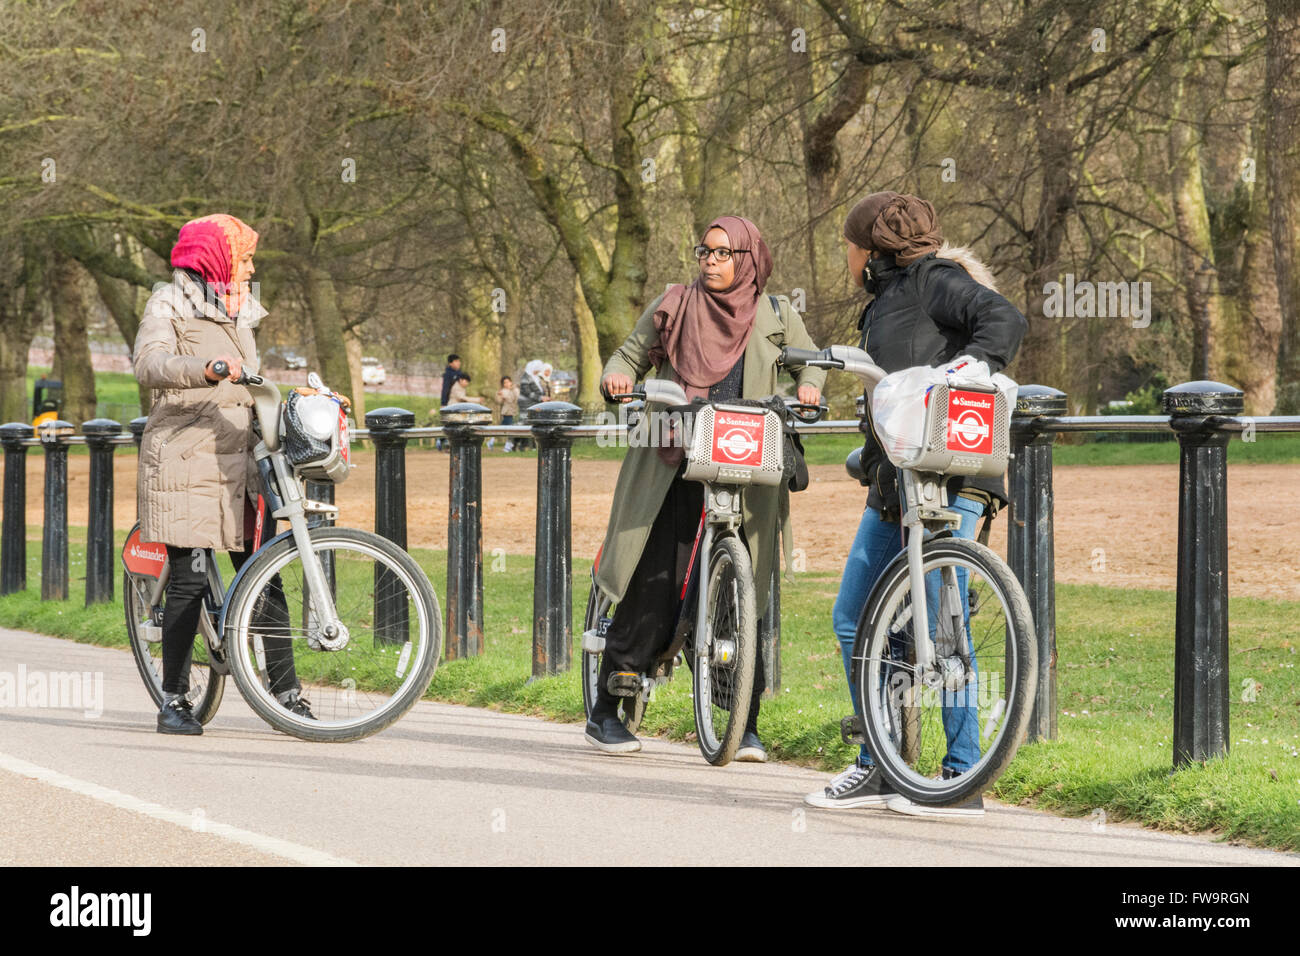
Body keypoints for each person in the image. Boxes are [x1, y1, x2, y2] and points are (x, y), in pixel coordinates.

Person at [803, 191, 1026, 816]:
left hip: (949, 479)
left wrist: (970, 371)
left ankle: (962, 778)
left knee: (946, 626)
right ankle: (879, 761)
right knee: (854, 618)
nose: (846, 258)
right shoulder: (884, 303)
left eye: (849, 246)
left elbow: (1003, 320)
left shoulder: (935, 280)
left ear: (872, 249)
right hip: (892, 483)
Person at [589, 215, 825, 759]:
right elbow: (627, 355)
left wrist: (809, 388)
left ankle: (742, 721)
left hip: (747, 458)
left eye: (724, 253)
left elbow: (809, 365)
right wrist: (619, 377)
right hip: (674, 455)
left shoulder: (776, 314)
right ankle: (610, 706)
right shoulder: (675, 302)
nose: (711, 261)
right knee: (658, 574)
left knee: (744, 590)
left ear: (749, 259)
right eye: (705, 252)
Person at [133, 214, 313, 735]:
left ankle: (288, 695)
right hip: (186, 458)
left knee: (266, 578)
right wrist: (206, 368)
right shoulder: (167, 302)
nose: (252, 267)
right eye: (245, 257)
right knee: (188, 581)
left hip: (241, 460)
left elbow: (251, 382)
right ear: (213, 256)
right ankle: (174, 700)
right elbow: (148, 364)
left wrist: (304, 403)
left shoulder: (241, 310)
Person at [436, 354, 462, 449]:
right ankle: (442, 440)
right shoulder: (448, 374)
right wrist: (443, 403)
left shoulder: (460, 373)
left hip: (458, 402)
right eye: (456, 361)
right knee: (450, 422)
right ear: (450, 363)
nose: (458, 363)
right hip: (450, 402)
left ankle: (447, 440)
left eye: (459, 361)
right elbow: (445, 389)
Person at [495, 375, 520, 451]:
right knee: (509, 430)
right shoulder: (503, 391)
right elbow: (499, 401)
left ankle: (493, 441)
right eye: (504, 383)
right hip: (507, 413)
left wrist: (512, 392)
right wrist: (499, 396)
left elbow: (516, 399)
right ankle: (508, 446)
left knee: (506, 429)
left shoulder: (515, 389)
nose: (506, 384)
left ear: (511, 382)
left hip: (514, 412)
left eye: (508, 382)